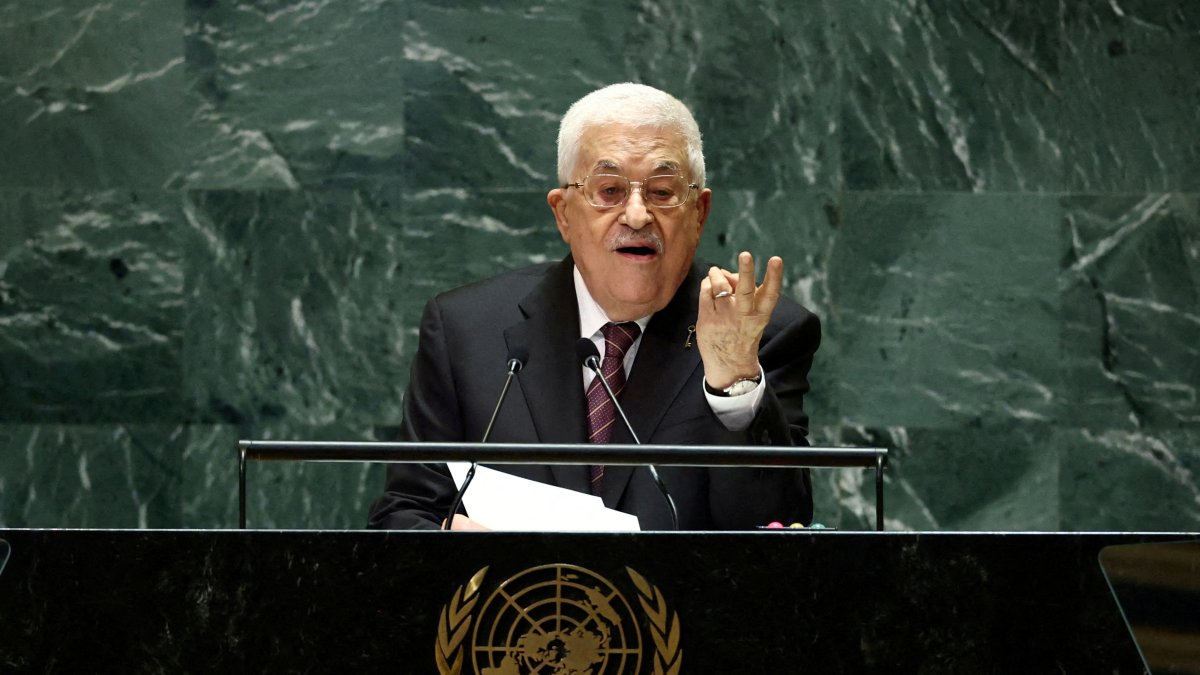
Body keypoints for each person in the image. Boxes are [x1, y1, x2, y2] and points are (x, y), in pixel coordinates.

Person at [367, 83, 820, 531]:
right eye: (609, 190)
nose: (638, 215)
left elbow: (777, 533)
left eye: (663, 192)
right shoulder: (466, 331)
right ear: (563, 213)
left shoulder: (764, 335)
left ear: (699, 213)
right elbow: (405, 514)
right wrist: (450, 540)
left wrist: (734, 381)